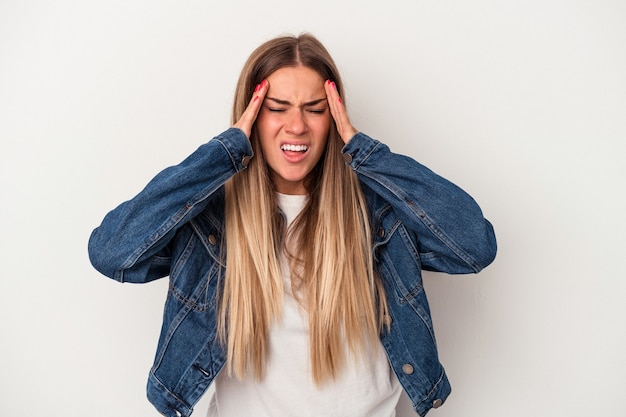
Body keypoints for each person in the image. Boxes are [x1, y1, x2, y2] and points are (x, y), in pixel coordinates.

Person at [88, 33, 497, 417]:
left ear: (334, 117)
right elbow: (112, 253)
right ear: (250, 115)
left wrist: (366, 155)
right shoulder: (212, 219)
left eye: (315, 109)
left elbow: (474, 245)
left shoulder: (377, 214)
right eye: (277, 108)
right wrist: (223, 154)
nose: (297, 126)